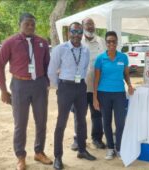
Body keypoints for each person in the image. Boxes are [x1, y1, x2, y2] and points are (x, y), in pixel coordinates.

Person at [0, 13, 52, 170]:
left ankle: (39, 152)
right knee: (20, 123)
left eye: (33, 24)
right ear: (20, 24)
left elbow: (48, 64)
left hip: (39, 85)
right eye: (27, 24)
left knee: (41, 121)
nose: (31, 27)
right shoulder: (10, 42)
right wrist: (3, 90)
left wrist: (46, 82)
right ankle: (20, 156)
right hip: (19, 86)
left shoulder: (42, 42)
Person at [48, 22, 96, 170]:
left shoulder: (86, 50)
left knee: (81, 120)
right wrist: (59, 86)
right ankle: (58, 156)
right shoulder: (60, 49)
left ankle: (82, 150)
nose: (76, 35)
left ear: (82, 34)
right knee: (61, 122)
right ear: (68, 33)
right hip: (65, 87)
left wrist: (79, 83)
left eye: (79, 32)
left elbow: (85, 67)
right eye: (73, 31)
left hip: (81, 87)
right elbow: (51, 71)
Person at [93, 31, 134, 160]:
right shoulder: (100, 58)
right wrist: (95, 98)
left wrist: (130, 85)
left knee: (120, 123)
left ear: (117, 43)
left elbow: (126, 74)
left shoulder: (123, 57)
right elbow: (96, 79)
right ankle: (110, 148)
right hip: (103, 93)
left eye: (114, 41)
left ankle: (120, 148)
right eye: (109, 41)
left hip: (119, 94)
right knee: (107, 121)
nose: (111, 43)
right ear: (106, 43)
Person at [70, 17, 106, 151]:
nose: (90, 26)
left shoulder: (101, 41)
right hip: (81, 86)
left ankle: (97, 139)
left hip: (98, 86)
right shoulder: (77, 41)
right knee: (79, 114)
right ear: (82, 26)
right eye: (87, 24)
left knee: (97, 113)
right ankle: (78, 140)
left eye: (92, 24)